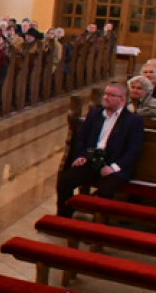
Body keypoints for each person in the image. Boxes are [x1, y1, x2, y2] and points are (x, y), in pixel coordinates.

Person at [56, 81, 145, 217]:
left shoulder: (133, 121)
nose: (106, 97)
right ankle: (64, 218)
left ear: (122, 99)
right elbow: (81, 138)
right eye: (106, 94)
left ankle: (99, 226)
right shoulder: (94, 114)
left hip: (115, 165)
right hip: (92, 161)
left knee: (105, 192)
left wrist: (113, 167)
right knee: (65, 181)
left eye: (111, 95)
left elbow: (134, 151)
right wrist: (81, 155)